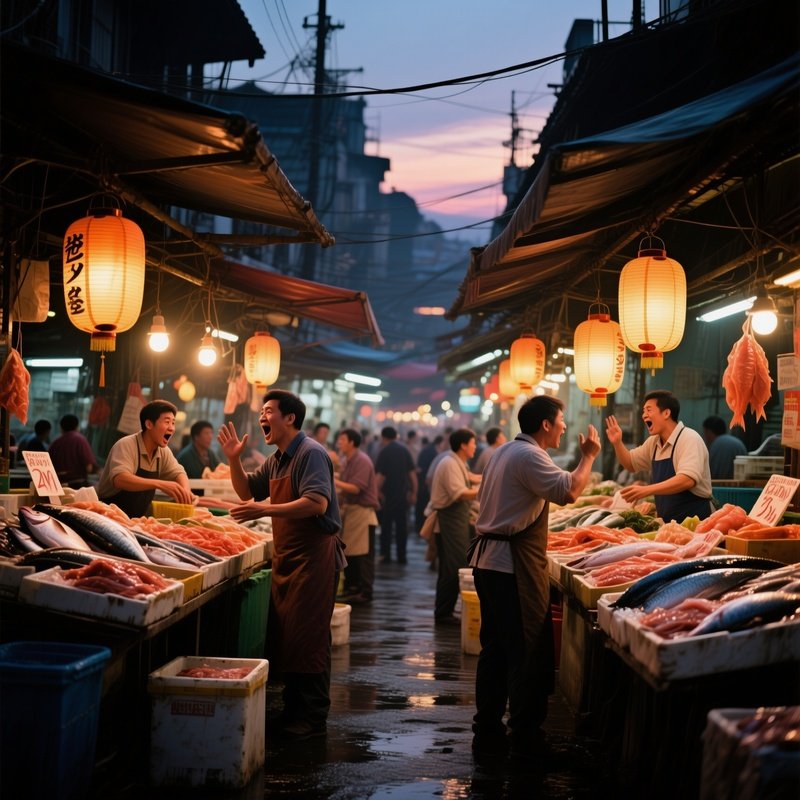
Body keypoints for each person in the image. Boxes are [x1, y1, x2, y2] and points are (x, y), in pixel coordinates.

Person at [469, 395, 601, 760]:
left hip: (490, 563)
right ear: (545, 424)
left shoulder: (505, 452)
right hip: (509, 567)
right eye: (560, 420)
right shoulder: (528, 455)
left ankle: (488, 727)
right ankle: (525, 735)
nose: (564, 426)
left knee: (495, 648)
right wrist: (589, 455)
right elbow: (570, 491)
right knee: (524, 648)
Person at [218, 390, 342, 740]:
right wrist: (233, 460)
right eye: (261, 411)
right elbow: (247, 493)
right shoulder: (277, 458)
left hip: (314, 557)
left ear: (290, 418)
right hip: (289, 557)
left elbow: (316, 503)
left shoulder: (311, 453)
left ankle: (313, 715)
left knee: (310, 636)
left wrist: (265, 510)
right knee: (289, 635)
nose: (262, 417)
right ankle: (293, 710)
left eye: (268, 411)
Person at [605, 390, 714, 522]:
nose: (644, 415)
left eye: (649, 410)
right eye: (643, 411)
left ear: (666, 413)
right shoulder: (654, 442)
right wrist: (617, 442)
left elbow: (687, 480)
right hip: (668, 525)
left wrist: (646, 490)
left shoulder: (689, 438)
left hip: (697, 522)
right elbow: (630, 463)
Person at [97, 400, 195, 517]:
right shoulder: (126, 444)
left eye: (173, 423)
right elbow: (120, 479)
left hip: (136, 521)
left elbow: (178, 473)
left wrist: (185, 492)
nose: (172, 428)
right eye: (167, 422)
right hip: (107, 517)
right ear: (149, 424)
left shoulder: (163, 451)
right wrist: (160, 484)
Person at [429, 428, 481, 625]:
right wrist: (485, 489)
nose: (475, 446)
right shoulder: (450, 463)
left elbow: (472, 478)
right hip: (449, 519)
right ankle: (443, 613)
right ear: (463, 445)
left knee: (453, 565)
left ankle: (445, 610)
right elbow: (459, 493)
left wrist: (492, 477)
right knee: (453, 566)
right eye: (473, 443)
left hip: (457, 519)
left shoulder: (458, 462)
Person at [335, 428, 380, 604]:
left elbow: (355, 488)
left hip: (362, 512)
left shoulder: (362, 460)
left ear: (352, 442)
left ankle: (365, 591)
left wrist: (333, 480)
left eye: (342, 439)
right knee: (352, 553)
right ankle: (353, 588)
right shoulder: (349, 459)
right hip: (352, 511)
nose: (339, 442)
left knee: (363, 555)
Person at [375, 426, 418, 564]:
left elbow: (381, 475)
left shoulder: (384, 451)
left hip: (387, 496)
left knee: (386, 527)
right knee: (402, 527)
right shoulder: (404, 450)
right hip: (402, 495)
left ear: (383, 437)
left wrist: (376, 492)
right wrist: (414, 493)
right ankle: (402, 556)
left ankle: (385, 554)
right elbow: (412, 474)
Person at [48, 414, 97, 487]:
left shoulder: (55, 443)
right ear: (77, 427)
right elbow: (89, 468)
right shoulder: (81, 440)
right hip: (77, 486)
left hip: (57, 485)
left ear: (61, 427)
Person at [702, 415, 747, 480]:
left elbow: (711, 473)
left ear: (708, 431)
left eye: (705, 432)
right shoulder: (738, 443)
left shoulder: (717, 445)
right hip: (741, 486)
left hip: (722, 488)